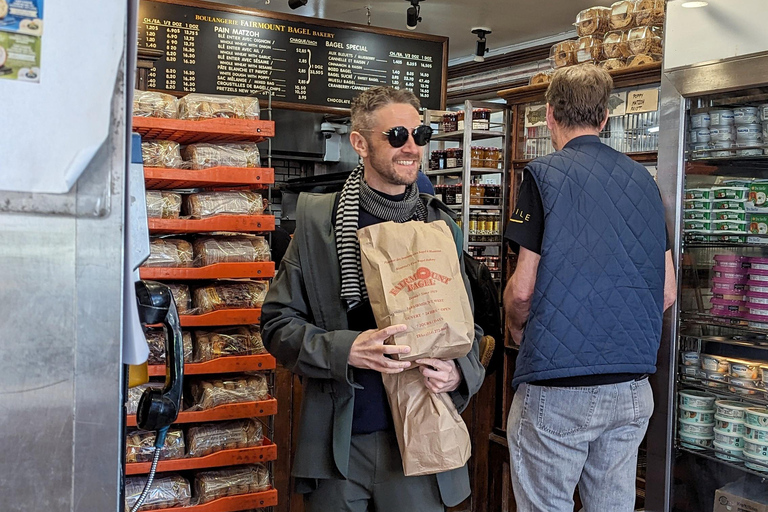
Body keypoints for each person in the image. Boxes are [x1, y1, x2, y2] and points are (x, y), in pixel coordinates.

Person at [260, 85, 484, 512]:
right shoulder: (317, 224)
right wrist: (346, 349)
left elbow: (469, 327)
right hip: (339, 444)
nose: (412, 147)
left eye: (422, 135)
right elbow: (276, 324)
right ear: (359, 143)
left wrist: (458, 373)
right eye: (397, 136)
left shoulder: (441, 226)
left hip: (420, 437)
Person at [502, 64, 677, 512]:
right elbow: (668, 291)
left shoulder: (541, 176)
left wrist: (518, 328)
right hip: (633, 390)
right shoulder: (647, 182)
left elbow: (522, 290)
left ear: (548, 115)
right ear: (605, 118)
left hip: (556, 389)